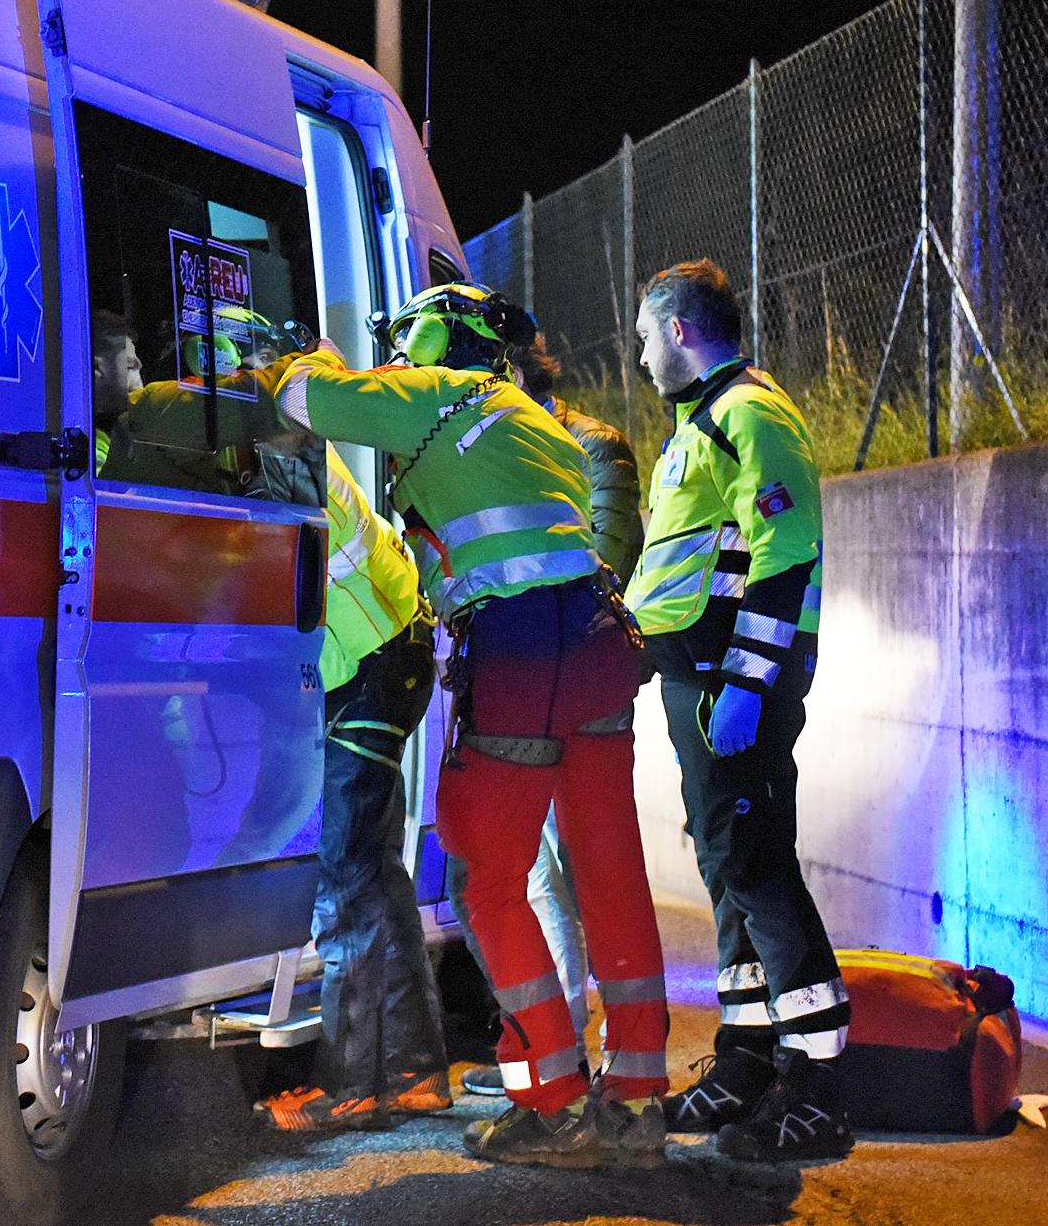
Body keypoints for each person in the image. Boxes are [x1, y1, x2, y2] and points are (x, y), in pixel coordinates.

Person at [279, 283, 670, 1169]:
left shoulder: (436, 393)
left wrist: (300, 351)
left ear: (441, 336)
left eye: (410, 335)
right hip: (602, 646)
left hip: (523, 651)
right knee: (609, 869)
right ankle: (638, 1101)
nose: (401, 352)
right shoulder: (535, 420)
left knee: (486, 876)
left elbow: (302, 397)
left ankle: (557, 1102)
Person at [628, 259, 851, 1162]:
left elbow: (786, 543)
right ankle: (748, 1061)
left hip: (732, 684)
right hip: (702, 681)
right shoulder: (703, 424)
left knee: (756, 867)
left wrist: (749, 684)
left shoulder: (748, 414)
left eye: (645, 338)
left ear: (680, 329)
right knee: (728, 868)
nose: (641, 359)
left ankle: (819, 1090)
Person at [456, 334, 646, 1100]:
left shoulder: (588, 444)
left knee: (572, 873)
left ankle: (579, 1056)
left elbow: (603, 562)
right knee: (538, 873)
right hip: (533, 675)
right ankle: (565, 1050)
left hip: (567, 676)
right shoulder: (505, 445)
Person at [251, 424, 452, 1131]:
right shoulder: (306, 448)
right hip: (387, 660)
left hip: (368, 668)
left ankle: (352, 1082)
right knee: (376, 875)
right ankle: (415, 1071)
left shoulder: (281, 453)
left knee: (341, 883)